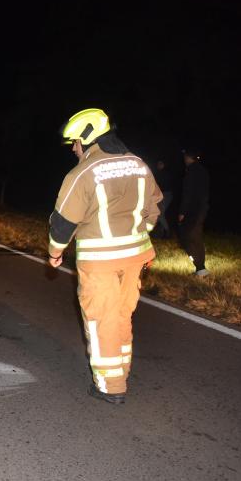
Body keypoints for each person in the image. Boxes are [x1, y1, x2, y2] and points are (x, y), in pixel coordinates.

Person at [48, 108, 162, 405]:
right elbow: (153, 209)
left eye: (74, 142)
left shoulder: (83, 173)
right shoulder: (139, 164)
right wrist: (139, 233)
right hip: (136, 257)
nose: (73, 148)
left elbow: (63, 223)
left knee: (101, 321)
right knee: (121, 315)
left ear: (87, 138)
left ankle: (109, 387)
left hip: (100, 260)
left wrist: (55, 253)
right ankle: (121, 370)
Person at [178, 147, 210, 277]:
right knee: (196, 238)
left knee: (187, 238)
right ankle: (200, 268)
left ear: (188, 157)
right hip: (202, 208)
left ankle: (200, 267)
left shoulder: (191, 172)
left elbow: (188, 194)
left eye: (185, 156)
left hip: (192, 210)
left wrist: (182, 212)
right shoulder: (203, 170)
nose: (184, 159)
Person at [152, 159, 174, 238]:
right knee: (160, 214)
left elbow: (162, 185)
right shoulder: (159, 173)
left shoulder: (164, 173)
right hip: (163, 194)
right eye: (158, 163)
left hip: (166, 195)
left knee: (160, 214)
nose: (158, 165)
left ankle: (167, 232)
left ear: (163, 164)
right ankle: (159, 233)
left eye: (160, 163)